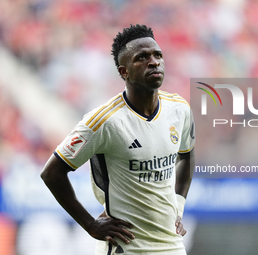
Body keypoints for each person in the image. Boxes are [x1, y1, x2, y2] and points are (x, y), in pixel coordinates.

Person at [40, 24, 195, 255]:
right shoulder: (103, 122)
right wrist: (90, 224)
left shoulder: (180, 109)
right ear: (124, 72)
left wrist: (178, 206)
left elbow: (187, 156)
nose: (154, 62)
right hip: (127, 247)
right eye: (142, 58)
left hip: (171, 245)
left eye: (158, 55)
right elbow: (52, 172)